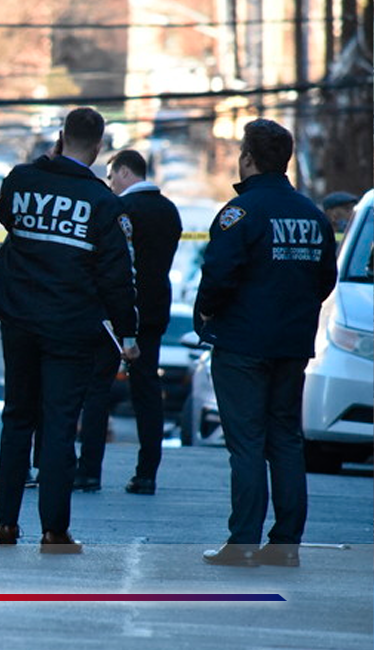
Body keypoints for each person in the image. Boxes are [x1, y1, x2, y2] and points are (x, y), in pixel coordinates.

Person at [0, 107, 138, 553]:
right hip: (70, 323)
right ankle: (54, 530)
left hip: (19, 318)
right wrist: (128, 335)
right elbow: (116, 277)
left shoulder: (23, 179)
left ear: (60, 138)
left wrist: (46, 163)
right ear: (99, 149)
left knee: (17, 418)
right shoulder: (103, 203)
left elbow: (4, 213)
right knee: (60, 425)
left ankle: (6, 523)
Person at [198, 119, 338, 568]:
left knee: (246, 443)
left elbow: (218, 275)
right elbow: (325, 279)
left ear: (247, 159)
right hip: (291, 344)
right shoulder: (313, 216)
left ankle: (243, 542)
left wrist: (207, 313)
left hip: (243, 343)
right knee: (285, 441)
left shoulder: (241, 213)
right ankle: (286, 544)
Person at [74, 149, 182, 494]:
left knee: (98, 389)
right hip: (155, 310)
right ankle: (147, 473)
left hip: (116, 312)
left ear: (123, 172)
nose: (110, 184)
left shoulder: (119, 209)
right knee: (147, 392)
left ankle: (89, 471)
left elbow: (112, 266)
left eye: (111, 177)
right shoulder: (169, 210)